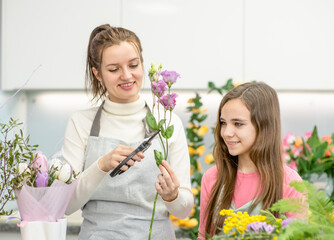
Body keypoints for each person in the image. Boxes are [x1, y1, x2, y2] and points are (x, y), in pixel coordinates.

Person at [61, 24, 193, 239]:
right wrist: (101, 165)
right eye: (114, 69)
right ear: (98, 74)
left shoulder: (168, 122)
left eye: (133, 65)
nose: (126, 75)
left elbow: (184, 210)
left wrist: (173, 196)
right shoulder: (80, 123)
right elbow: (66, 205)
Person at [198, 82, 304, 239]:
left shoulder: (289, 183)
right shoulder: (212, 178)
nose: (226, 132)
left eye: (238, 124)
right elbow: (204, 236)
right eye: (223, 123)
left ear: (264, 126)